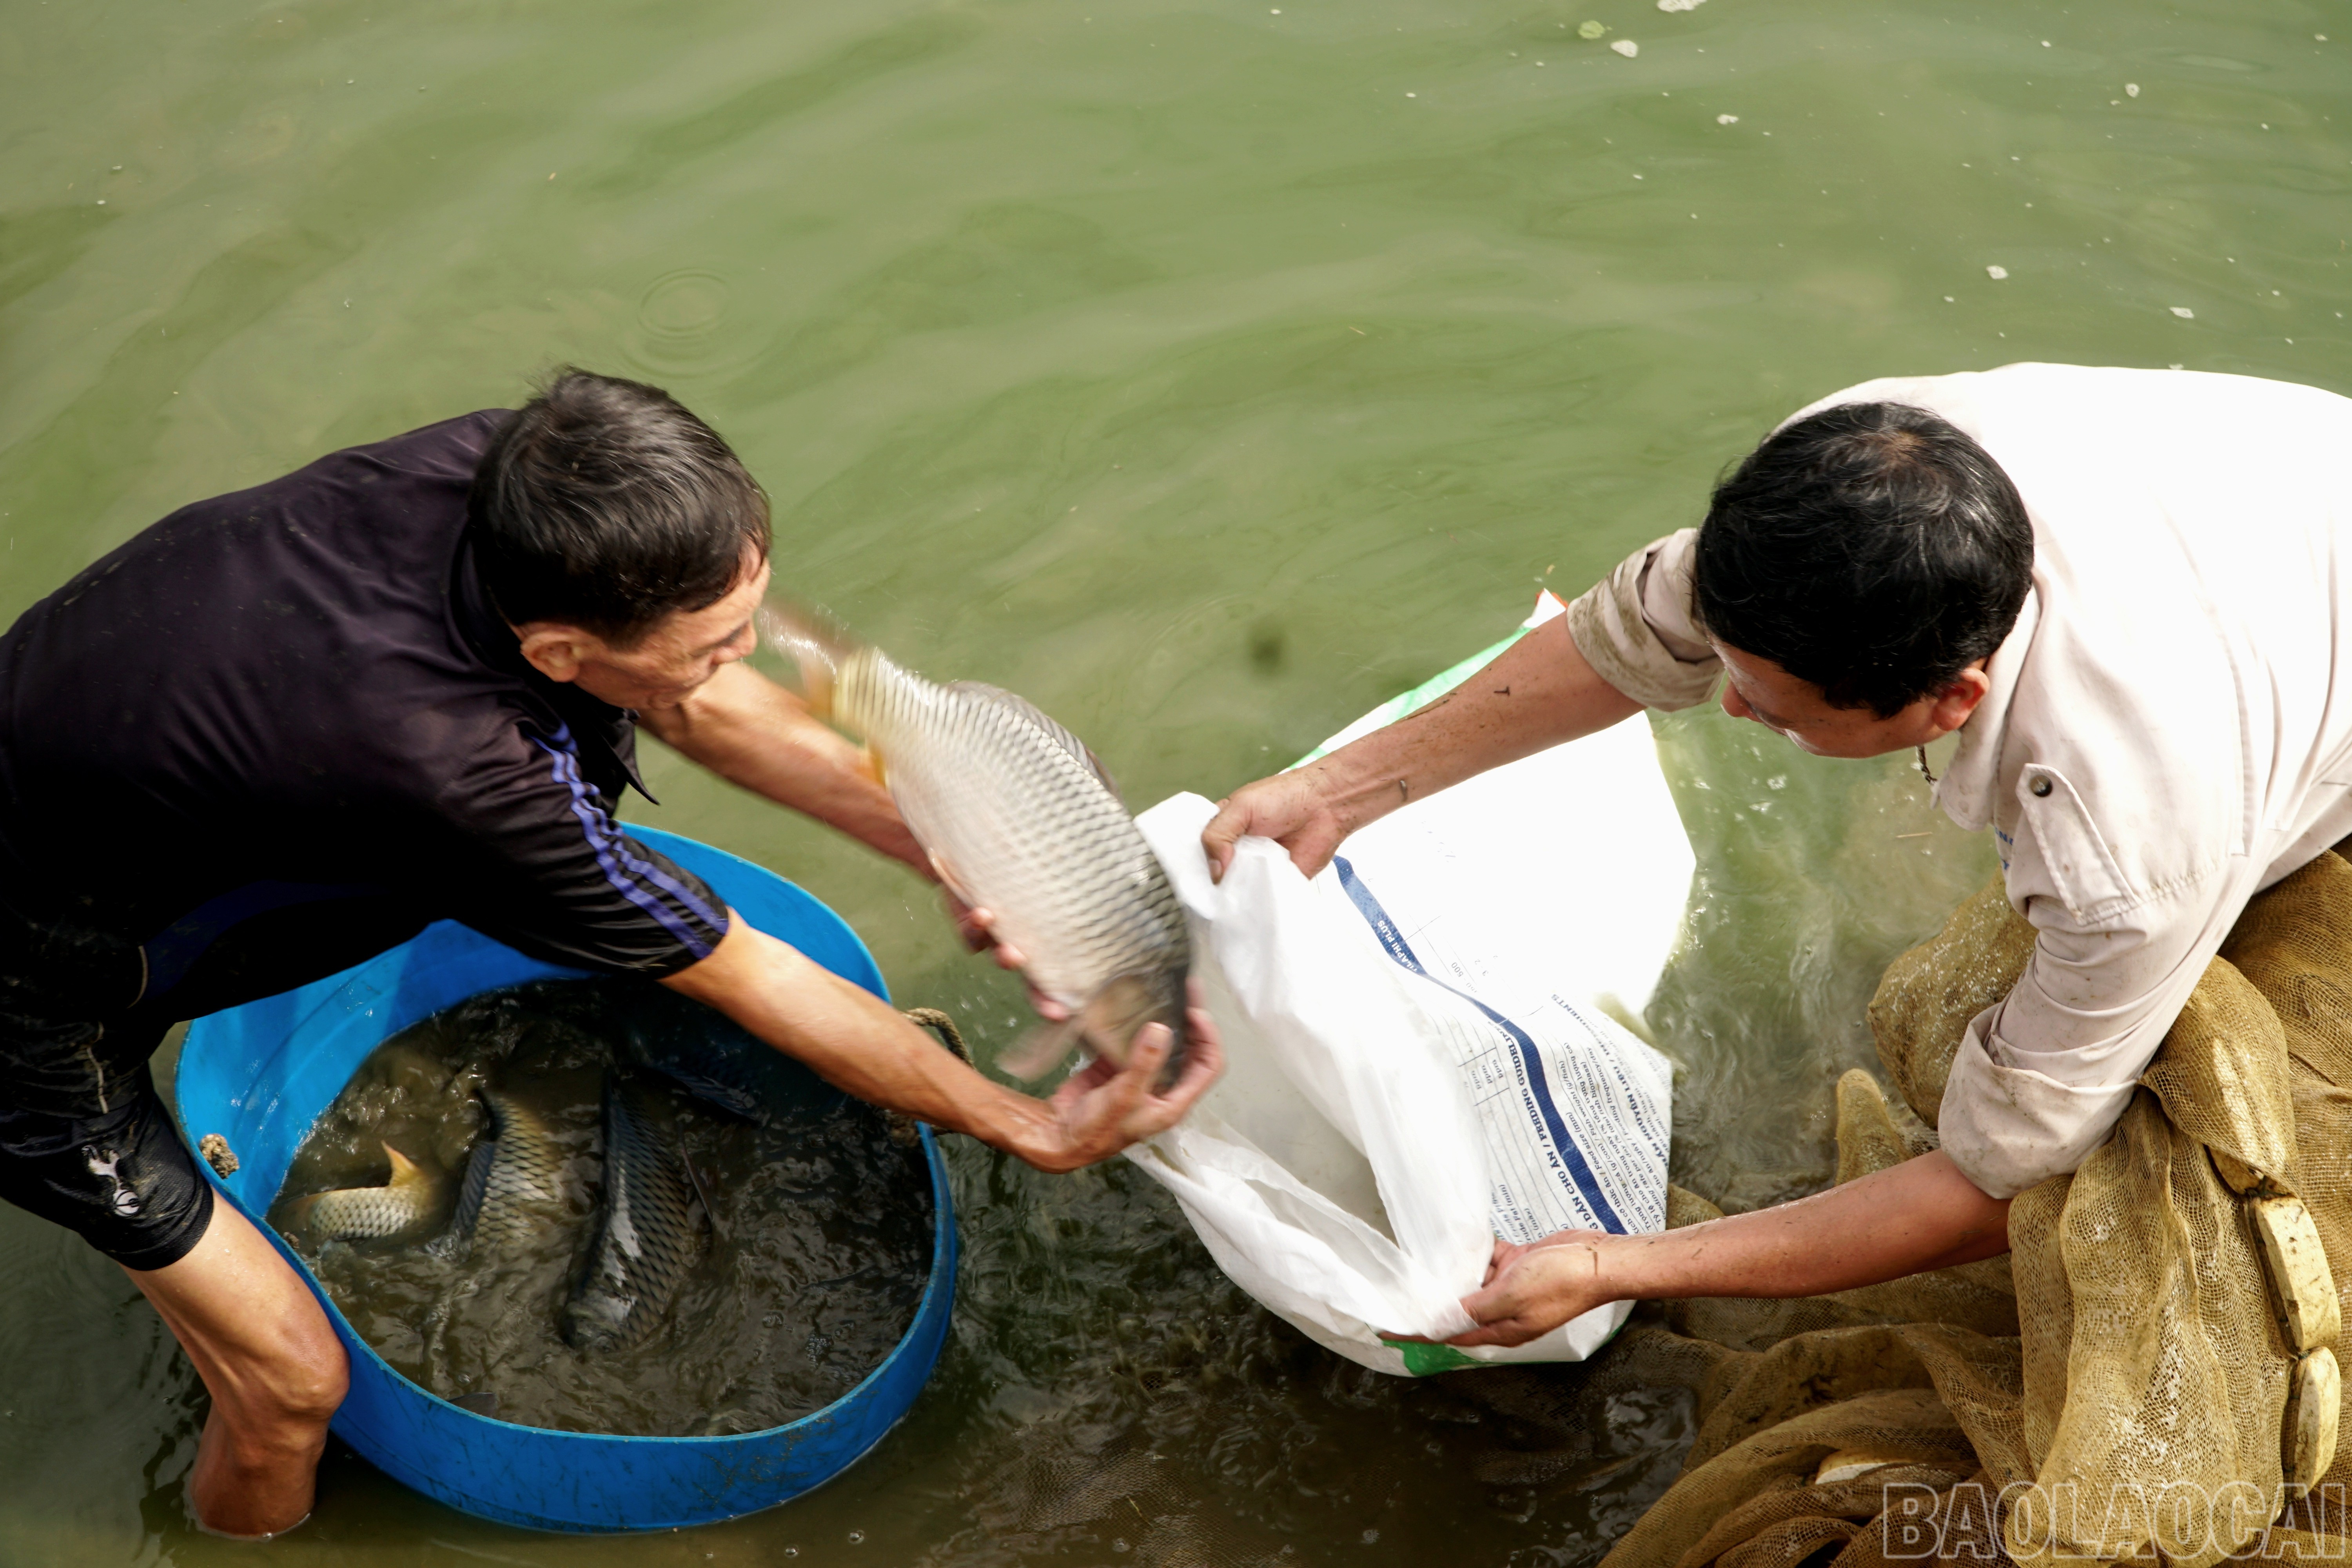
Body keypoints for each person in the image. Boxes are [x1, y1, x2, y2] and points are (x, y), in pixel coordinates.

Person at [0, 369, 1220, 1538]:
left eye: (751, 614)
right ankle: (239, 1549)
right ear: (556, 658)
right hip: (29, 1011)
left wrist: (963, 853)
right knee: (290, 1389)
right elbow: (751, 973)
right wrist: (1028, 1126)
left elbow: (687, 690)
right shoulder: (459, 773)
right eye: (718, 638)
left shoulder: (530, 477)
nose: (744, 654)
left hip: (93, 805)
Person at [1201, 361, 2352, 1350]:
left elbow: (1995, 1185)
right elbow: (1632, 636)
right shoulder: (1847, 478)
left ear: (1951, 699)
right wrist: (1332, 793)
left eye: (1775, 706)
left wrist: (1614, 1266)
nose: (1734, 714)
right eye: (1730, 671)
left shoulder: (2127, 841)